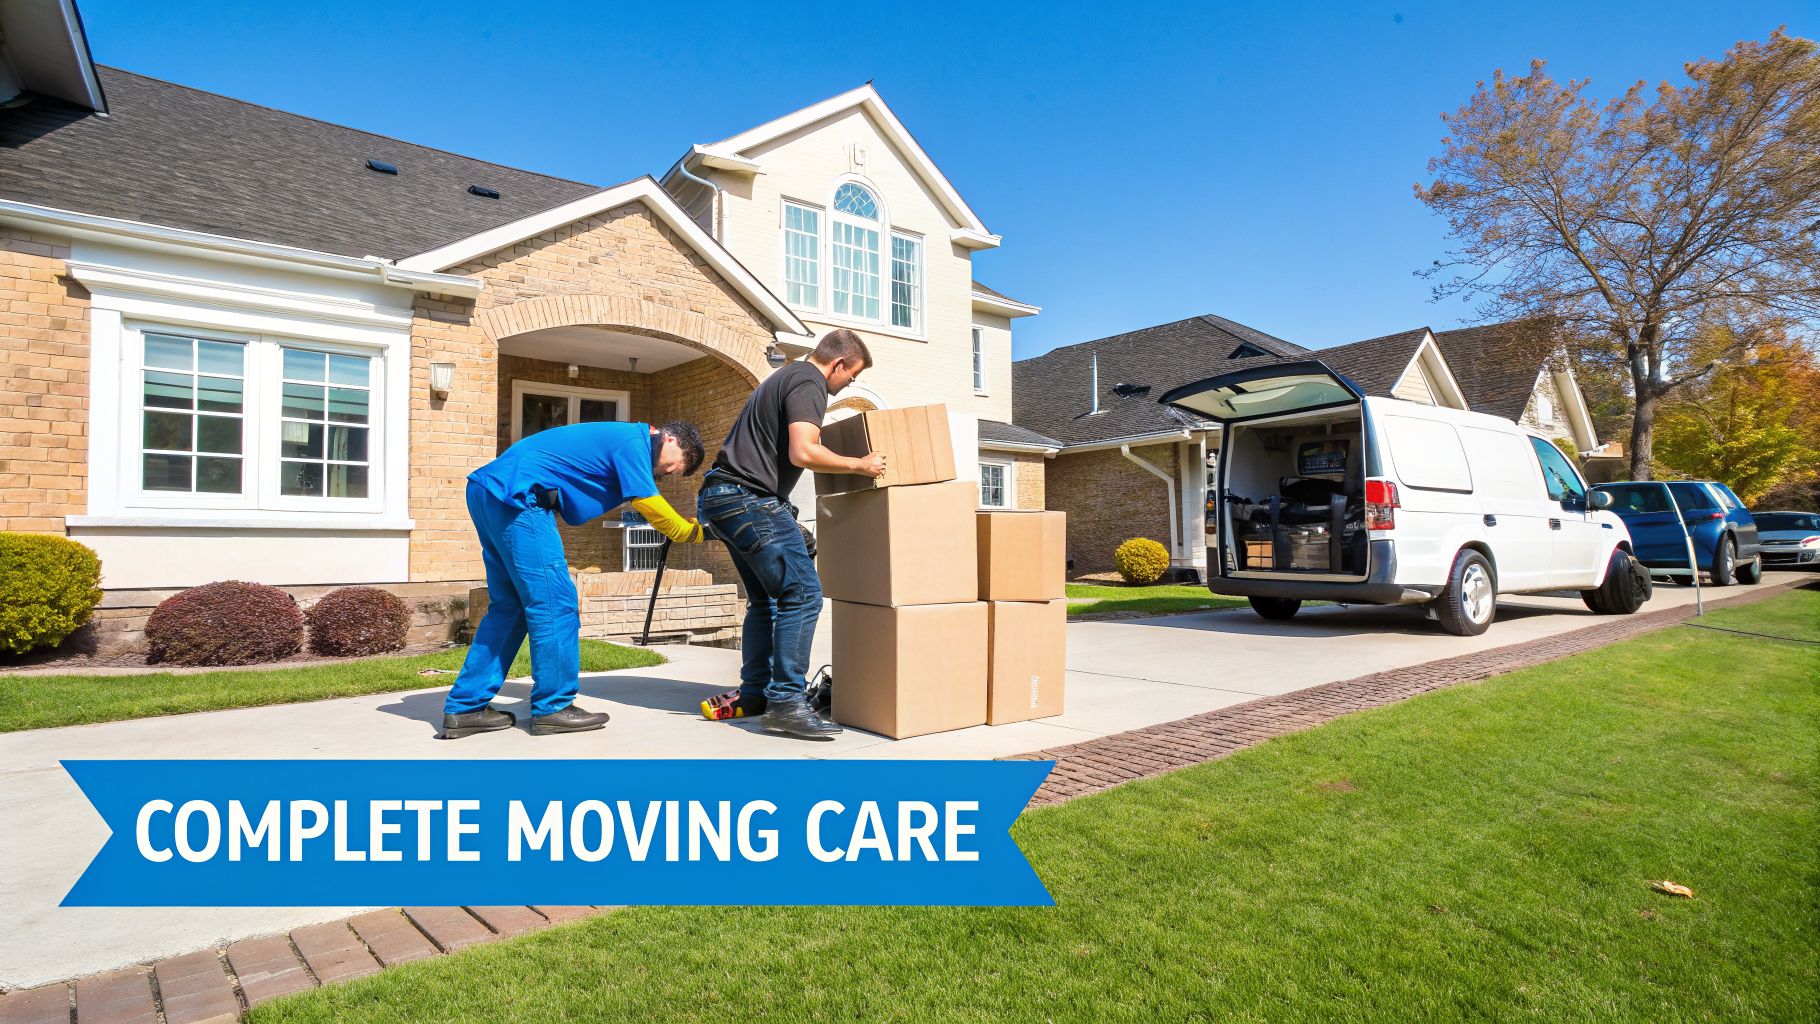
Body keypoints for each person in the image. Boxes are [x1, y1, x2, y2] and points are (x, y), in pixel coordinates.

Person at [441, 420, 707, 739]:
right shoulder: (634, 442)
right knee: (556, 604)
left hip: (491, 490)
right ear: (672, 439)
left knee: (509, 608)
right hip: (517, 498)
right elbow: (647, 502)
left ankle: (466, 707)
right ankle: (553, 708)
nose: (674, 472)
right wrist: (692, 532)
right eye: (681, 463)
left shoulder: (625, 442)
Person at [697, 329, 885, 739]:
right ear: (837, 364)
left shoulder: (784, 379)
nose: (843, 387)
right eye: (849, 378)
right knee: (802, 594)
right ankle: (785, 701)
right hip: (746, 499)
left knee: (765, 601)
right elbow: (803, 451)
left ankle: (755, 694)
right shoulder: (808, 381)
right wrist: (861, 465)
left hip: (723, 497)